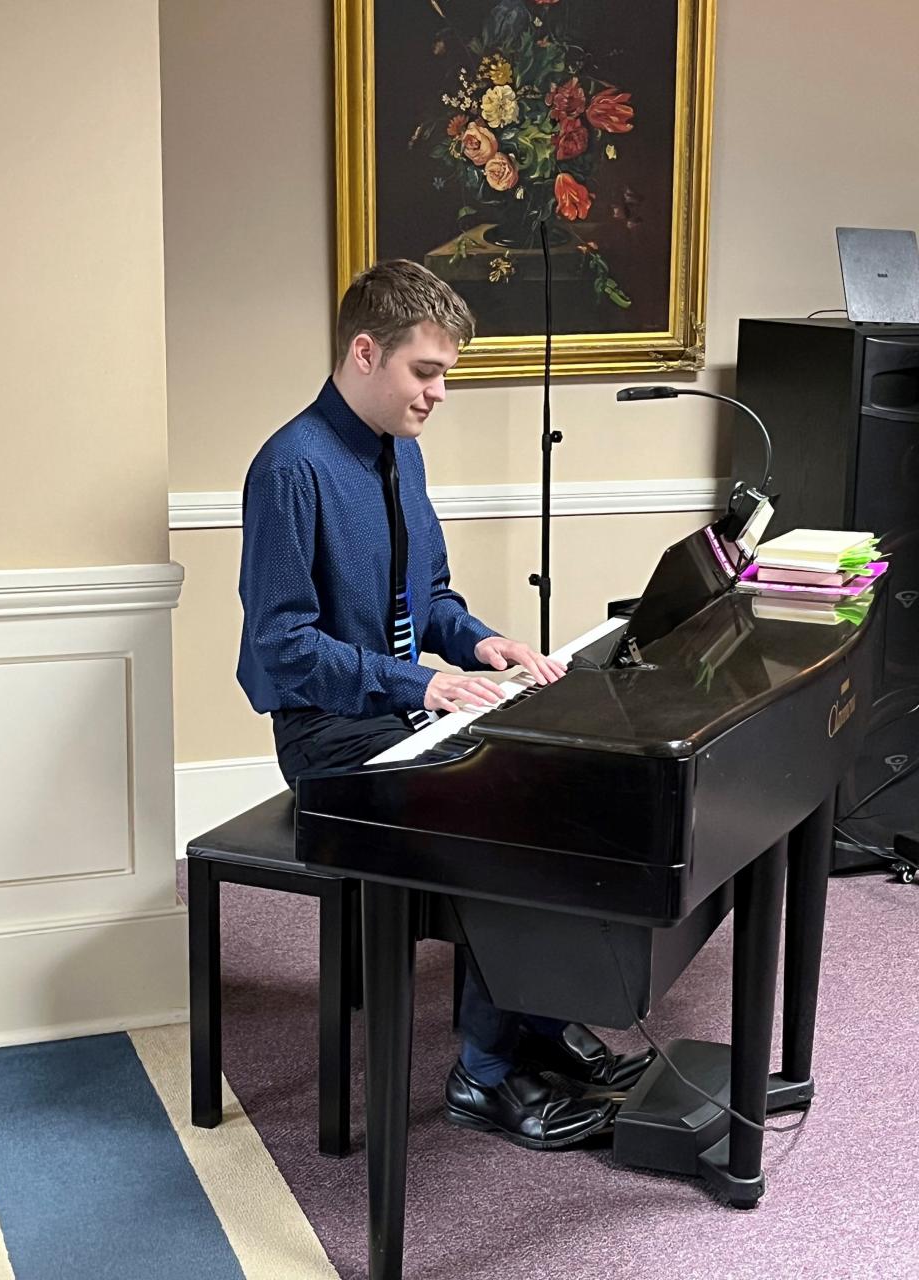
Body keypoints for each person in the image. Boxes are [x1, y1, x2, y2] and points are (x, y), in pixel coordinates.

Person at [237, 259, 652, 1150]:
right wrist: (417, 683)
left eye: (445, 378)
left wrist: (479, 643)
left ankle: (536, 1024)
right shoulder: (290, 469)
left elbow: (428, 601)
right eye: (426, 372)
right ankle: (486, 1076)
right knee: (506, 817)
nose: (438, 394)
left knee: (560, 782)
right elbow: (280, 647)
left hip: (399, 712)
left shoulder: (402, 456)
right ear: (363, 353)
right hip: (329, 736)